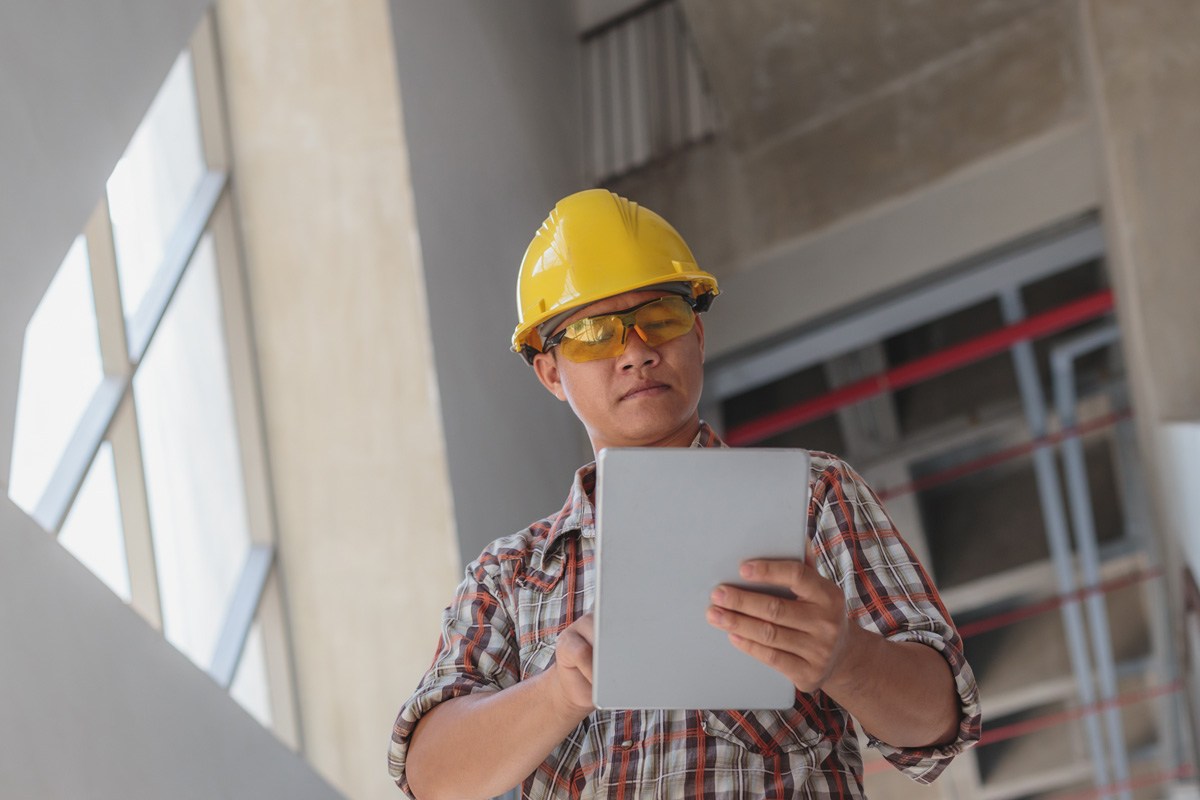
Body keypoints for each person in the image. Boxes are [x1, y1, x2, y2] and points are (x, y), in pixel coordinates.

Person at [388, 189, 981, 799]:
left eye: (662, 318)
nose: (638, 351)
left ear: (697, 334)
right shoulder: (508, 577)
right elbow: (430, 780)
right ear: (550, 373)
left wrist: (847, 657)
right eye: (594, 332)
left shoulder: (815, 495)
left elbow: (939, 722)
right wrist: (560, 689)